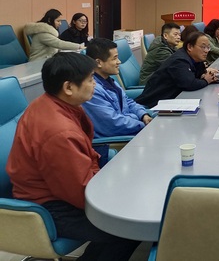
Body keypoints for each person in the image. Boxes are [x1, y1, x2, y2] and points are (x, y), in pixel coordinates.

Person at [6, 52, 141, 260]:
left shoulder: (51, 103)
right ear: (68, 87)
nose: (94, 84)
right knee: (129, 227)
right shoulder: (59, 133)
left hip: (57, 189)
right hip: (50, 205)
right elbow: (80, 193)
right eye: (90, 79)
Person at [83, 38, 152, 137]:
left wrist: (143, 115)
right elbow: (113, 124)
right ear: (98, 62)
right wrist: (142, 124)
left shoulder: (109, 80)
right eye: (114, 58)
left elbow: (128, 101)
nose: (119, 62)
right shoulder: (92, 90)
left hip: (130, 128)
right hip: (116, 140)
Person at [136, 31, 218, 108]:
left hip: (172, 100)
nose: (206, 51)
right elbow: (190, 84)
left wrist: (204, 75)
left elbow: (199, 73)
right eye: (203, 47)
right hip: (154, 104)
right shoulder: (179, 61)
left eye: (208, 47)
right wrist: (206, 80)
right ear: (190, 47)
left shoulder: (195, 58)